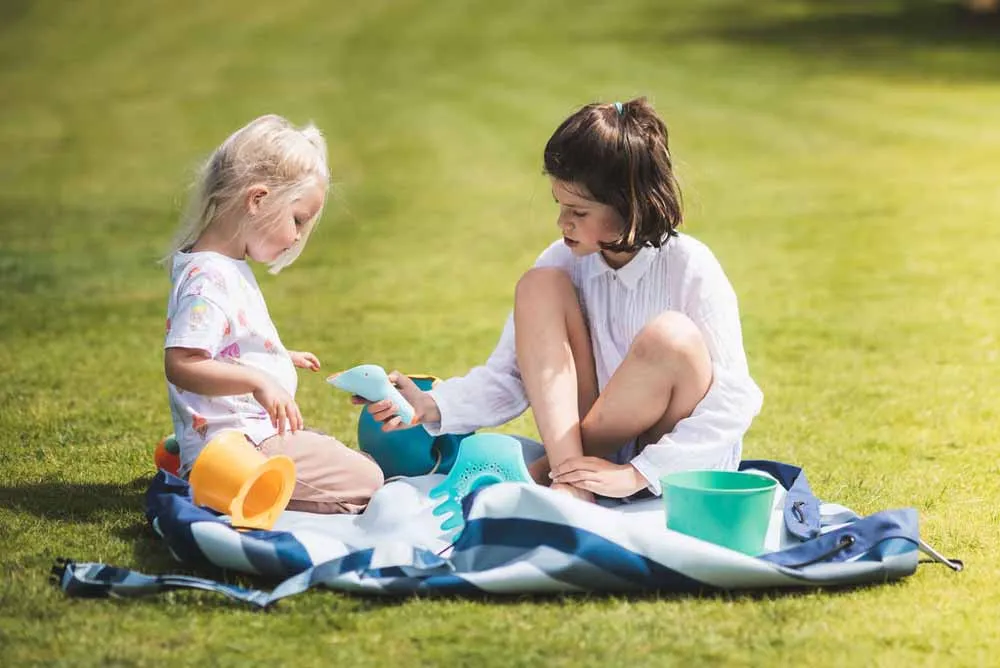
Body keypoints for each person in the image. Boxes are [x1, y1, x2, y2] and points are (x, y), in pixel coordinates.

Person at [363, 98, 762, 504]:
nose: (562, 222)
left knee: (672, 336)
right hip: (590, 453)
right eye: (559, 206)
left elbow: (734, 398)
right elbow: (512, 375)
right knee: (537, 285)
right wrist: (431, 405)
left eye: (578, 211)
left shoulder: (689, 265)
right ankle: (572, 485)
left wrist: (640, 473)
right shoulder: (561, 261)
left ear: (631, 206)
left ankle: (552, 475)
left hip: (670, 462)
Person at [163, 115, 383, 514]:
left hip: (246, 439)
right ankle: (221, 484)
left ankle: (201, 471)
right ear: (258, 199)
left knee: (354, 469)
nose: (298, 236)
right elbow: (182, 362)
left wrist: (279, 356)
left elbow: (226, 343)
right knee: (370, 481)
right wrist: (259, 380)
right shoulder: (209, 278)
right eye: (297, 220)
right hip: (242, 449)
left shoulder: (222, 266)